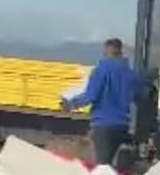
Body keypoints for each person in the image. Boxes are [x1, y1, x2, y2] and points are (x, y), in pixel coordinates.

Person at [62, 38, 148, 166]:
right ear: (120, 52)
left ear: (106, 51)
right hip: (123, 127)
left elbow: (91, 96)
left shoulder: (100, 71)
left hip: (103, 125)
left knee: (103, 168)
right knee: (117, 169)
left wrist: (71, 104)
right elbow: (141, 96)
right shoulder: (130, 75)